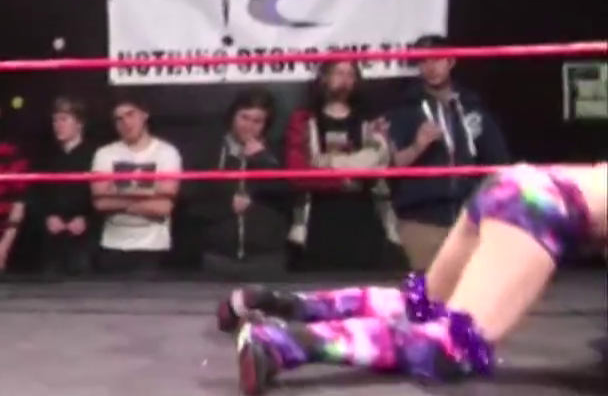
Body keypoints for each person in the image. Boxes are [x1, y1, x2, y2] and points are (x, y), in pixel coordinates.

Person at [220, 162, 607, 395]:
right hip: (546, 205)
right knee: (454, 346)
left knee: (421, 307)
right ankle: (283, 342)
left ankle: (286, 304)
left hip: (519, 182)